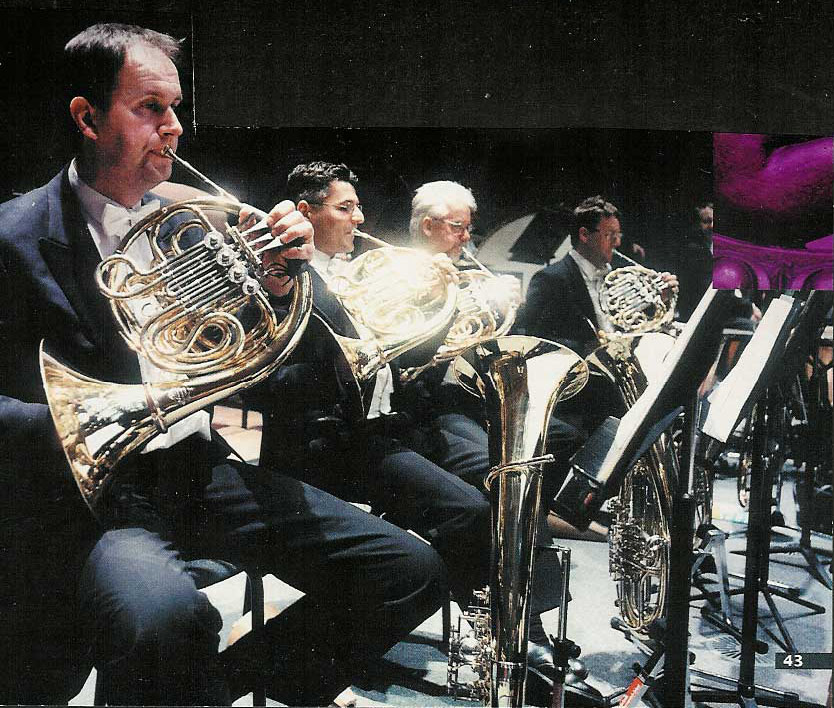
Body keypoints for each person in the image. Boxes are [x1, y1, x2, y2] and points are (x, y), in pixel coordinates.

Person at [0, 24, 447, 706]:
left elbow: (287, 374)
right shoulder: (14, 235)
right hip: (91, 496)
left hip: (198, 471)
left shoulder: (195, 225)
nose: (173, 128)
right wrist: (85, 423)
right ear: (87, 118)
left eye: (176, 109)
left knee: (408, 570)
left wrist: (281, 285)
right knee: (165, 620)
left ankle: (219, 690)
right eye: (150, 108)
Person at [252, 162, 492, 608]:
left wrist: (443, 307)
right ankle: (478, 615)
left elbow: (407, 360)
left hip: (385, 427)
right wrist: (343, 369)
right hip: (325, 445)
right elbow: (268, 382)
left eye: (358, 207)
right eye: (345, 208)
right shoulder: (280, 278)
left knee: (503, 475)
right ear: (305, 212)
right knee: (467, 510)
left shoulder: (358, 273)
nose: (359, 218)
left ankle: (506, 612)